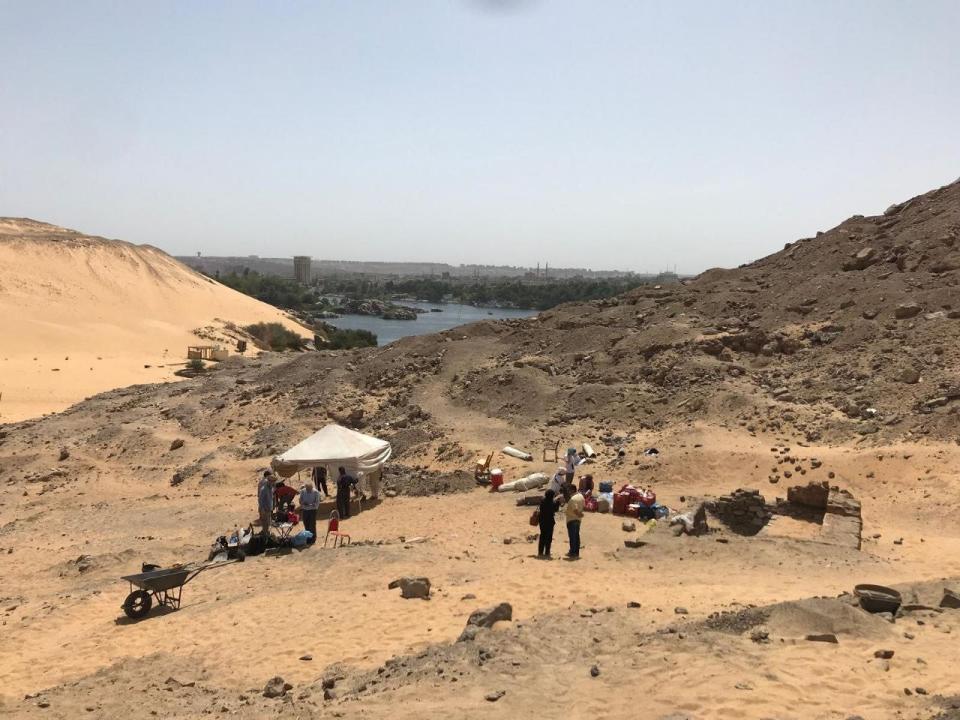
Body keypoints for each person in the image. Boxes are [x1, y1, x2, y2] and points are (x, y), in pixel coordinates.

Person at [563, 484, 585, 559]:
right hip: (578, 521)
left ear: (572, 490)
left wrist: (579, 515)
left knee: (572, 537)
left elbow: (575, 510)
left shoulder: (573, 499)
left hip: (572, 519)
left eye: (569, 490)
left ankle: (572, 552)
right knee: (576, 536)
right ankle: (576, 552)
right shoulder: (581, 496)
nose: (568, 492)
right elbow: (583, 506)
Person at [538, 489, 561, 558]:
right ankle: (547, 551)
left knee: (542, 536)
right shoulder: (553, 503)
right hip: (550, 521)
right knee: (549, 537)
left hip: (542, 521)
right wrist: (558, 503)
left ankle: (540, 551)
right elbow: (556, 510)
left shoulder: (542, 501)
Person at [257, 470, 274, 537]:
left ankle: (266, 535)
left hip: (268, 507)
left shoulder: (269, 487)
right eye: (272, 482)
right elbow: (260, 499)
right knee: (265, 523)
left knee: (267, 523)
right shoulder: (264, 488)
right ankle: (265, 537)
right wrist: (262, 509)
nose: (273, 484)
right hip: (264, 508)